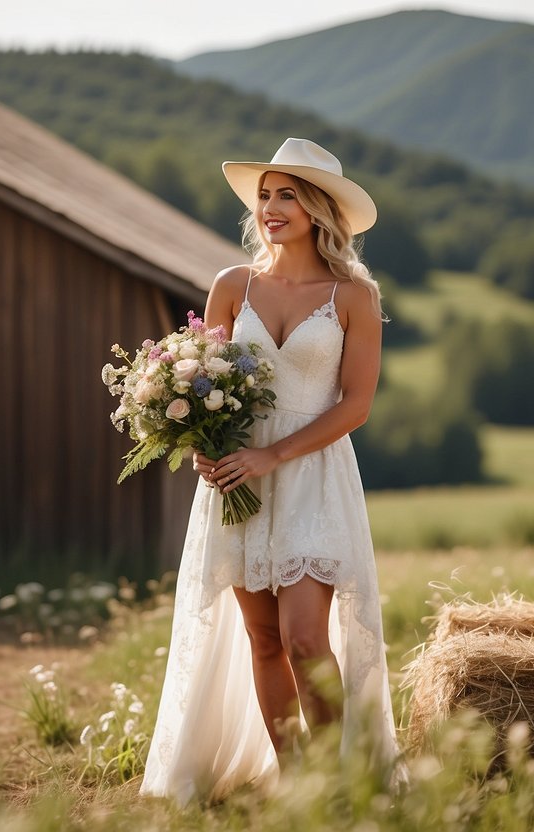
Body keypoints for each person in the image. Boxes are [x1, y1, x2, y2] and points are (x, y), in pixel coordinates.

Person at [140, 138, 398, 804]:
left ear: (317, 208)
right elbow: (203, 377)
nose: (271, 207)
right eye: (265, 195)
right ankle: (299, 787)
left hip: (311, 473)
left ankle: (341, 786)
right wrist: (201, 437)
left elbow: (357, 404)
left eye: (288, 195)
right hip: (237, 476)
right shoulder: (232, 286)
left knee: (305, 637)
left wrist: (274, 453)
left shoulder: (352, 295)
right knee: (262, 639)